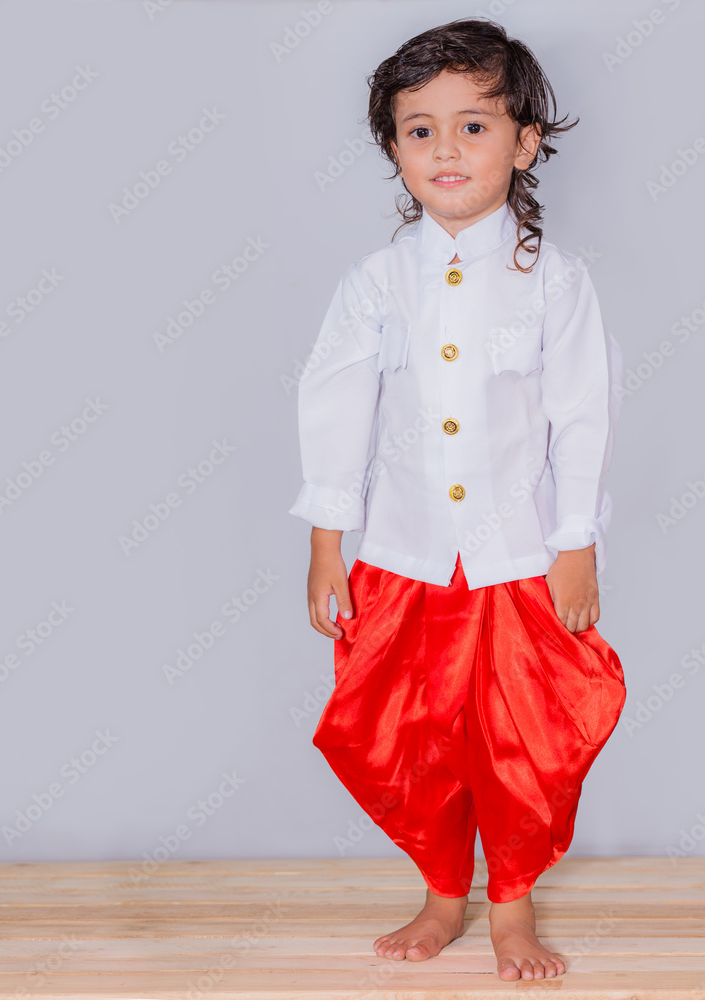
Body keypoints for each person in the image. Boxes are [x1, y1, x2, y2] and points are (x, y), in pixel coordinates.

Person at [288, 18, 626, 983]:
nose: (444, 149)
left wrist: (576, 543)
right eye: (417, 128)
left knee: (520, 739)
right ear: (392, 149)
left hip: (518, 557)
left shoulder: (554, 284)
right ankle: (443, 891)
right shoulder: (374, 283)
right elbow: (336, 408)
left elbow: (581, 419)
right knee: (406, 734)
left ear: (523, 143)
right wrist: (326, 542)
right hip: (403, 554)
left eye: (473, 127)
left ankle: (510, 903)